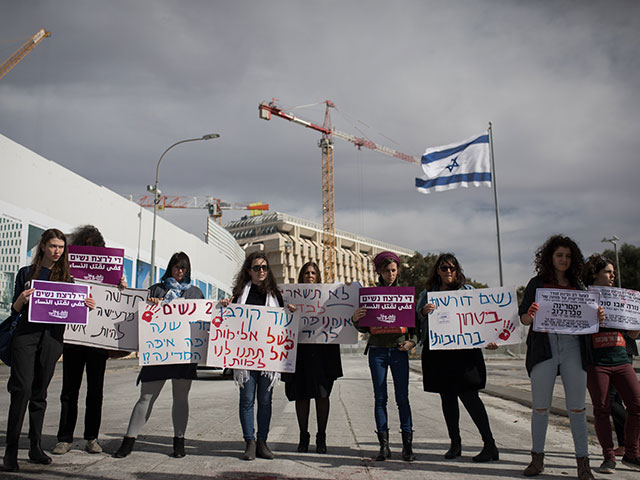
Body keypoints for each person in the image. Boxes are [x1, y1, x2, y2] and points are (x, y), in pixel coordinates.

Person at [3, 228, 95, 472]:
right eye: (53, 246)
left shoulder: (67, 278)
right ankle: (11, 450)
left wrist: (86, 305)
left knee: (39, 393)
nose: (57, 251)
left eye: (61, 247)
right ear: (43, 246)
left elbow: (74, 312)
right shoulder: (26, 273)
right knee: (21, 391)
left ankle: (35, 447)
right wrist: (23, 299)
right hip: (26, 337)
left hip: (53, 340)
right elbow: (14, 310)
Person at [518, 235, 605, 480]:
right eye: (559, 255)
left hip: (573, 348)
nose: (563, 259)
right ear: (550, 257)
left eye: (567, 256)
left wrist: (597, 315)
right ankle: (537, 459)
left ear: (573, 258)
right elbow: (523, 317)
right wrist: (531, 315)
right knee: (540, 407)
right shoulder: (537, 283)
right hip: (543, 348)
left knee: (577, 408)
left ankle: (583, 464)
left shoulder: (579, 286)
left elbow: (589, 320)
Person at [113, 252, 203, 459]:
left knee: (181, 398)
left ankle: (179, 442)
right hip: (159, 352)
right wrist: (151, 305)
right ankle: (128, 441)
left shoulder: (196, 293)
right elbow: (141, 316)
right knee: (146, 397)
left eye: (183, 267)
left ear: (187, 270)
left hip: (184, 354)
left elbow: (203, 321)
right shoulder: (157, 289)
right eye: (176, 267)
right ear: (170, 268)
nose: (180, 271)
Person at [417, 253, 499, 463]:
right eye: (444, 268)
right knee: (447, 398)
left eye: (452, 268)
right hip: (439, 353)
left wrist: (490, 338)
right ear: (437, 271)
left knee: (471, 397)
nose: (448, 272)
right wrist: (424, 313)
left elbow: (481, 318)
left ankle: (490, 444)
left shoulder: (468, 291)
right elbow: (417, 321)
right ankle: (455, 443)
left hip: (465, 353)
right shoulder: (428, 294)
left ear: (457, 270)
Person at [53, 225, 127, 456]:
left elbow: (116, 303)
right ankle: (64, 438)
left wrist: (121, 288)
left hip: (98, 340)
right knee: (69, 390)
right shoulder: (66, 270)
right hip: (74, 337)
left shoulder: (112, 274)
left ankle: (91, 438)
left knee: (95, 392)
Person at [222, 251, 296, 461]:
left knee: (265, 400)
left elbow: (283, 324)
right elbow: (230, 321)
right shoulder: (239, 295)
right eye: (257, 268)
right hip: (245, 358)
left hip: (268, 359)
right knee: (246, 399)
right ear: (249, 271)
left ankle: (263, 442)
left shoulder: (276, 295)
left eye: (264, 267)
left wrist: (290, 311)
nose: (261, 271)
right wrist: (226, 307)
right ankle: (250, 442)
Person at [353, 251, 417, 462]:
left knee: (402, 398)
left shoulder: (406, 295)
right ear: (379, 271)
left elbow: (415, 325)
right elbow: (363, 325)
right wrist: (355, 319)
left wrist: (412, 342)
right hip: (378, 351)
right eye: (386, 270)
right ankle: (384, 445)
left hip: (399, 351)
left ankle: (407, 447)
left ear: (397, 271)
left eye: (393, 270)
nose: (390, 274)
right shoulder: (370, 295)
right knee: (380, 398)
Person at [582, 254, 640, 474]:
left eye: (613, 272)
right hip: (598, 363)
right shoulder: (585, 297)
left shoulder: (623, 298)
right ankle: (608, 457)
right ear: (595, 274)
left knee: (637, 406)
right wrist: (593, 317)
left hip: (622, 359)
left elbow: (632, 334)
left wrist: (636, 319)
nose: (612, 275)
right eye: (608, 271)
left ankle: (632, 453)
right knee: (602, 410)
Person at [283, 262, 342, 454]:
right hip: (300, 353)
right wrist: (288, 311)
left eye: (313, 273)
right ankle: (303, 436)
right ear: (301, 276)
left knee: (322, 395)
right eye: (307, 272)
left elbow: (340, 314)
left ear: (318, 276)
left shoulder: (327, 296)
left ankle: (321, 437)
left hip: (324, 353)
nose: (310, 275)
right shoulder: (291, 297)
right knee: (302, 395)